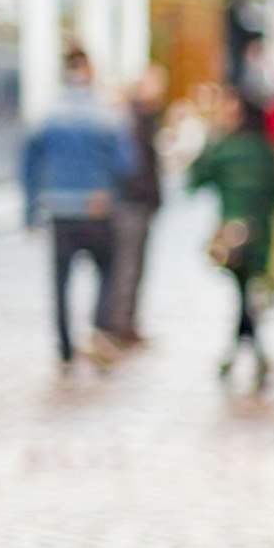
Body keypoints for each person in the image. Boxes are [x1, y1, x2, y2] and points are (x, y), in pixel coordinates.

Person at [22, 48, 139, 370]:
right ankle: (98, 328)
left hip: (59, 208)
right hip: (97, 206)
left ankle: (64, 347)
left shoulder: (47, 113)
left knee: (60, 280)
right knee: (109, 269)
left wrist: (31, 212)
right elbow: (126, 164)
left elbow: (29, 167)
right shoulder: (107, 114)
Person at [185, 82, 274, 391]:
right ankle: (252, 351)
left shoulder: (227, 148)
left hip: (234, 232)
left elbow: (194, 179)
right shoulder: (265, 148)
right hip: (259, 231)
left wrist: (210, 139)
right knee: (246, 294)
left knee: (243, 294)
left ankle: (245, 351)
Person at [98, 67, 168, 349]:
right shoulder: (132, 120)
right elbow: (129, 166)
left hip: (139, 201)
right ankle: (119, 324)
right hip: (132, 202)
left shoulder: (144, 118)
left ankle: (124, 322)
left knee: (133, 266)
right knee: (127, 266)